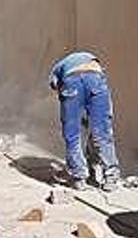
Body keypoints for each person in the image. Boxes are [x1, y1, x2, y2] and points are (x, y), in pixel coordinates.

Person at [49, 51, 122, 191]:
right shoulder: (91, 60)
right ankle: (111, 177)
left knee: (72, 135)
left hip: (71, 82)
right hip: (96, 79)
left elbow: (57, 87)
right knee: (101, 132)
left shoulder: (57, 70)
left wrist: (73, 114)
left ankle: (79, 177)